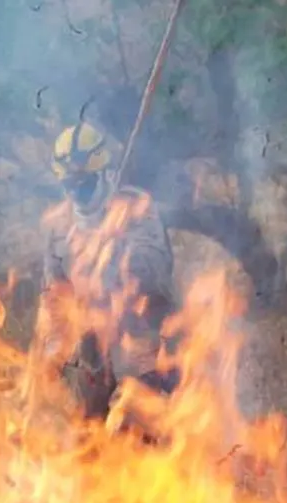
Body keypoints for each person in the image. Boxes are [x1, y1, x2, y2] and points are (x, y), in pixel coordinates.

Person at [40, 120, 178, 421]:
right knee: (88, 433)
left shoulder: (135, 207)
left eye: (85, 184)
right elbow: (55, 295)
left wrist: (116, 252)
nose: (77, 193)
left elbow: (156, 272)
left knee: (140, 430)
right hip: (91, 345)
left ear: (103, 174)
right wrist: (52, 351)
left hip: (143, 338)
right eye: (69, 186)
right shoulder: (58, 224)